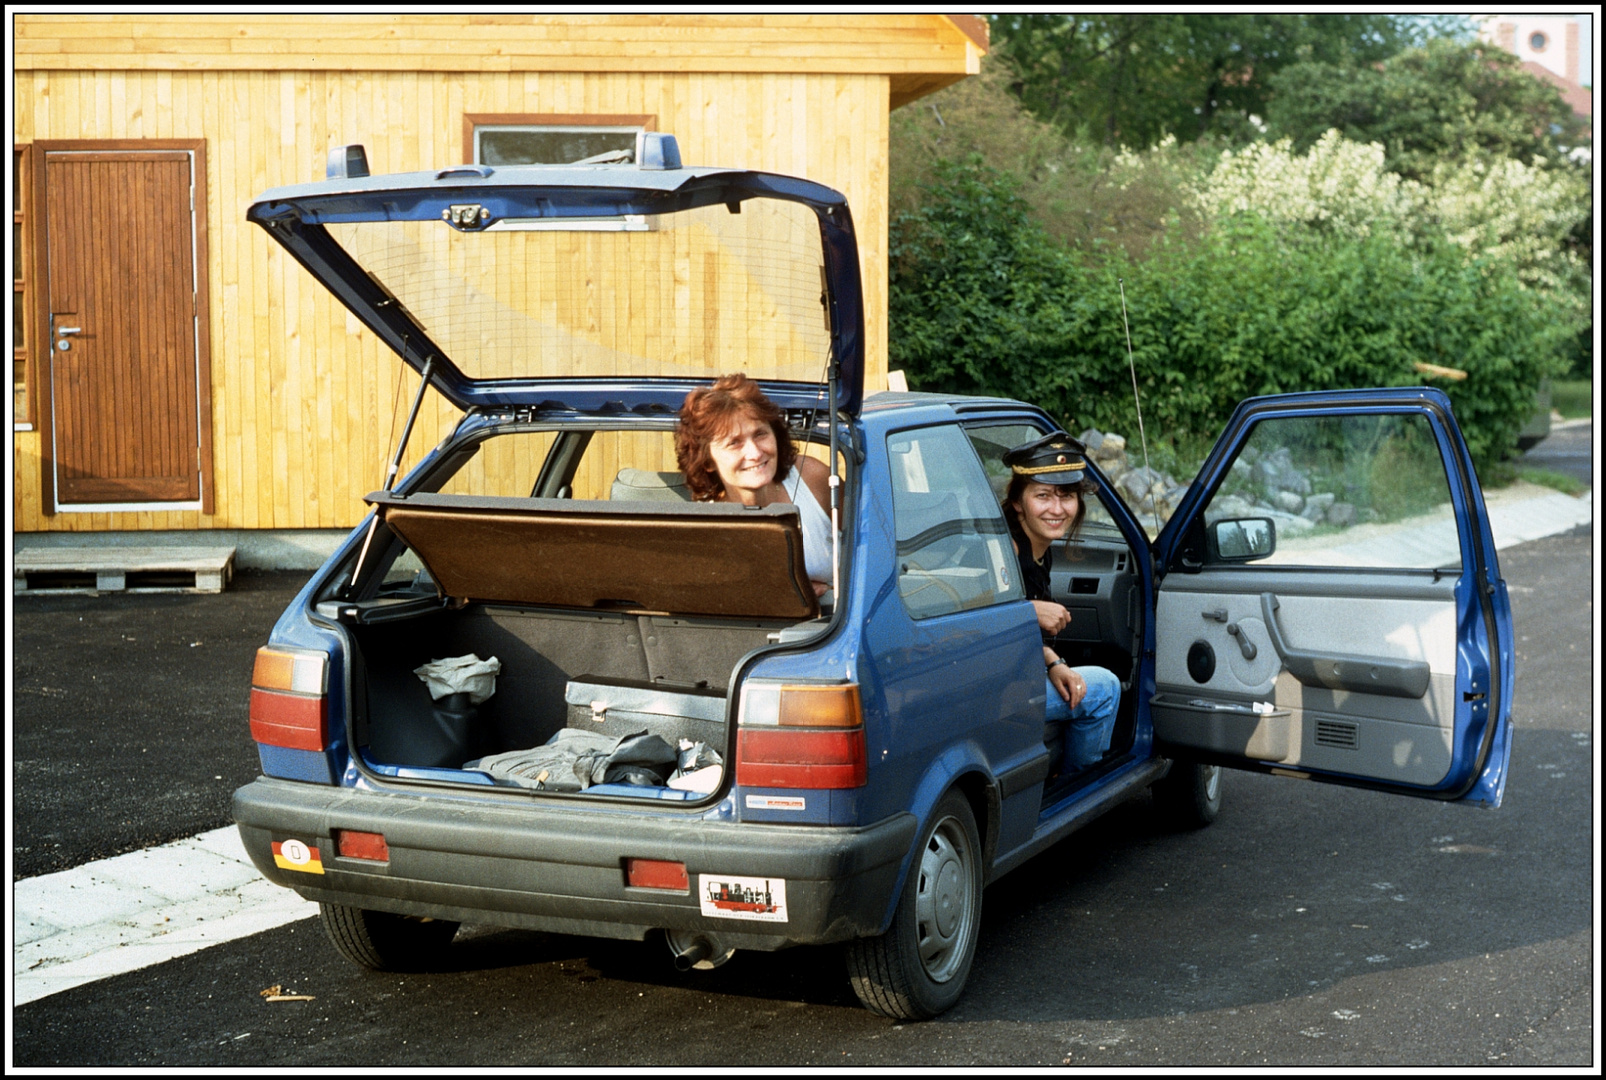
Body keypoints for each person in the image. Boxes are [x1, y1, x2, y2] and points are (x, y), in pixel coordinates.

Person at [1001, 433, 1122, 773]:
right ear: (1018, 502)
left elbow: (1018, 641)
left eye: (1066, 496)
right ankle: (1077, 791)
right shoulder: (1005, 550)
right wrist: (1029, 612)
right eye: (1042, 496)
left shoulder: (1038, 546)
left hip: (1017, 675)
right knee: (1105, 688)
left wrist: (1054, 662)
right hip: (998, 693)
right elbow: (967, 620)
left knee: (1078, 679)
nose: (1057, 509)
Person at [675, 373, 834, 597]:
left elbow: (873, 546)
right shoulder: (707, 523)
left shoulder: (812, 478)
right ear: (708, 460)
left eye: (760, 434)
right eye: (734, 443)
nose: (755, 453)